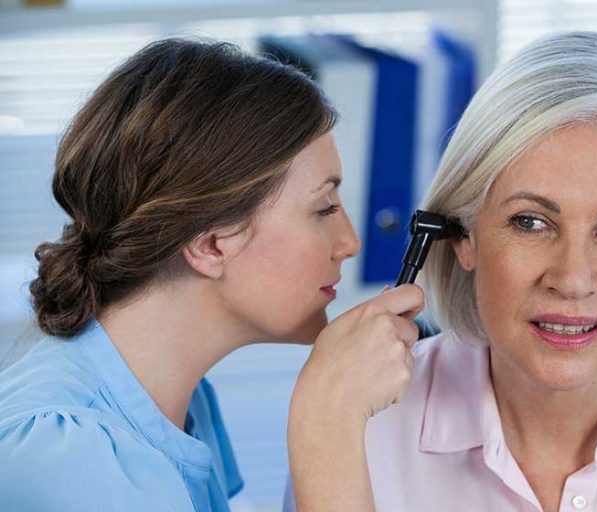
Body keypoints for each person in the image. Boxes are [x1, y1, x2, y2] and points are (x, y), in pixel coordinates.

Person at [284, 31, 597, 511]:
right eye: (530, 223)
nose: (572, 279)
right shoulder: (357, 424)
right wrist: (327, 420)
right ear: (465, 238)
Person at [0, 38, 423, 512]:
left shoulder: (183, 400)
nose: (350, 243)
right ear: (209, 244)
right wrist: (328, 417)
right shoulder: (71, 458)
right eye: (324, 208)